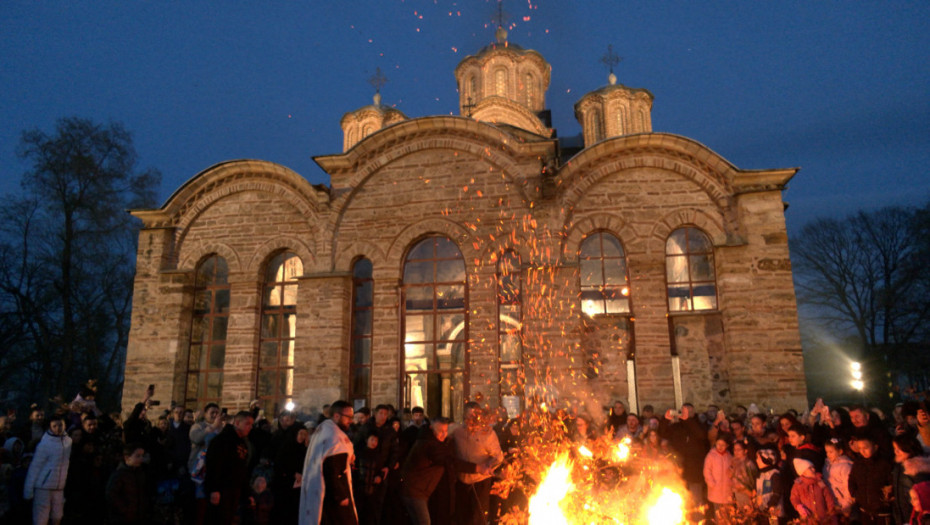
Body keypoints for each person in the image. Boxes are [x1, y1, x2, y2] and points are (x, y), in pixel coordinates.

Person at [402, 417, 482, 525]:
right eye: (440, 431)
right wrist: (477, 468)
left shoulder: (433, 441)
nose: (443, 434)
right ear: (431, 428)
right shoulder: (429, 444)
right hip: (415, 492)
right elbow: (449, 462)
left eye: (445, 431)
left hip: (420, 491)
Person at [299, 400, 357, 525]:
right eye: (349, 417)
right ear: (336, 416)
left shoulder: (324, 429)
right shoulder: (334, 437)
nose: (351, 421)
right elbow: (335, 471)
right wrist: (341, 497)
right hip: (332, 498)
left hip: (320, 492)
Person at [452, 402, 504, 525]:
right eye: (469, 417)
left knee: (478, 518)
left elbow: (498, 456)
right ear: (464, 416)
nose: (472, 420)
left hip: (480, 481)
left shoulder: (487, 434)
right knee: (462, 517)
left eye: (476, 416)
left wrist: (488, 465)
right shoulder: (457, 431)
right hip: (462, 481)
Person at [204, 410, 254, 525]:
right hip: (222, 489)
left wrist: (247, 493)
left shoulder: (242, 443)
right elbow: (214, 465)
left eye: (251, 424)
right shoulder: (222, 440)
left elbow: (242, 468)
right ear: (237, 423)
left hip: (234, 489)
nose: (250, 427)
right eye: (247, 424)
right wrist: (214, 489)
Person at [23, 414, 71, 525]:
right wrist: (28, 490)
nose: (58, 428)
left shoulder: (67, 442)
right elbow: (35, 467)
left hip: (59, 487)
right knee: (41, 518)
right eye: (55, 426)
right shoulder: (45, 444)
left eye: (60, 425)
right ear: (50, 427)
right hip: (43, 486)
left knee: (57, 516)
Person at [849, 434, 894, 524]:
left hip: (882, 511)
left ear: (875, 447)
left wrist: (887, 496)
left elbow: (891, 482)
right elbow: (852, 479)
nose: (862, 451)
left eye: (865, 448)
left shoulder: (885, 464)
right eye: (860, 448)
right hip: (864, 510)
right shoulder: (858, 463)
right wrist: (854, 494)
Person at [105, 443, 148, 525]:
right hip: (123, 518)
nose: (141, 459)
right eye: (138, 456)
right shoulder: (119, 474)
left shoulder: (140, 472)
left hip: (137, 515)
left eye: (142, 456)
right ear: (127, 458)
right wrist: (125, 509)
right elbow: (111, 494)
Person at [822, 438, 855, 519]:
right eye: (827, 452)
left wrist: (847, 504)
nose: (828, 454)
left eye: (831, 452)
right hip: (832, 503)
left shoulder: (845, 466)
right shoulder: (827, 465)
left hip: (843, 503)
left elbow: (848, 486)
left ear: (840, 451)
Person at [703, 435, 733, 522]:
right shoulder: (711, 456)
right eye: (718, 444)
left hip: (727, 491)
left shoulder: (729, 456)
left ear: (727, 445)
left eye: (723, 445)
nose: (720, 447)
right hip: (716, 490)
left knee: (728, 514)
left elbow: (733, 469)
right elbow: (707, 471)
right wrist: (712, 484)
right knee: (718, 514)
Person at [755, 448, 783, 523]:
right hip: (762, 511)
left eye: (758, 458)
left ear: (765, 460)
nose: (756, 460)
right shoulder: (761, 474)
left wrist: (768, 506)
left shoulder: (774, 474)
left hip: (773, 511)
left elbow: (777, 493)